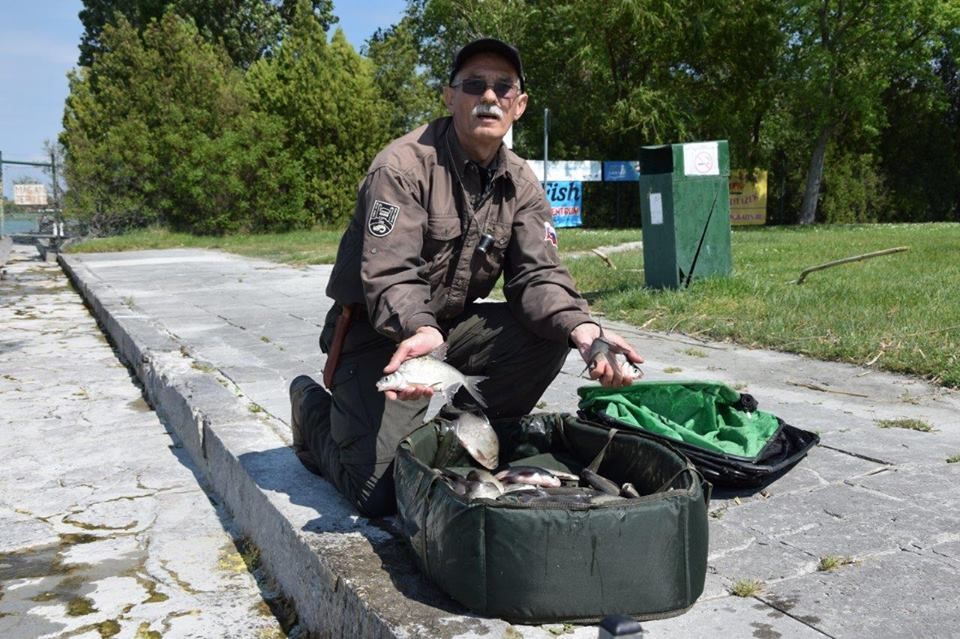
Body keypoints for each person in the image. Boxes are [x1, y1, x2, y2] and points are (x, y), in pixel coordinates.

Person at [290, 37, 644, 517]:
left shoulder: (522, 182)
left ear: (519, 105)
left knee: (551, 333)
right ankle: (310, 407)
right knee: (378, 494)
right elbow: (390, 271)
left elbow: (538, 275)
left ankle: (458, 433)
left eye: (503, 87)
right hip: (380, 335)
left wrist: (583, 329)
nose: (489, 97)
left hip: (450, 328)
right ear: (449, 96)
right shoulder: (402, 166)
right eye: (474, 85)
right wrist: (419, 330)